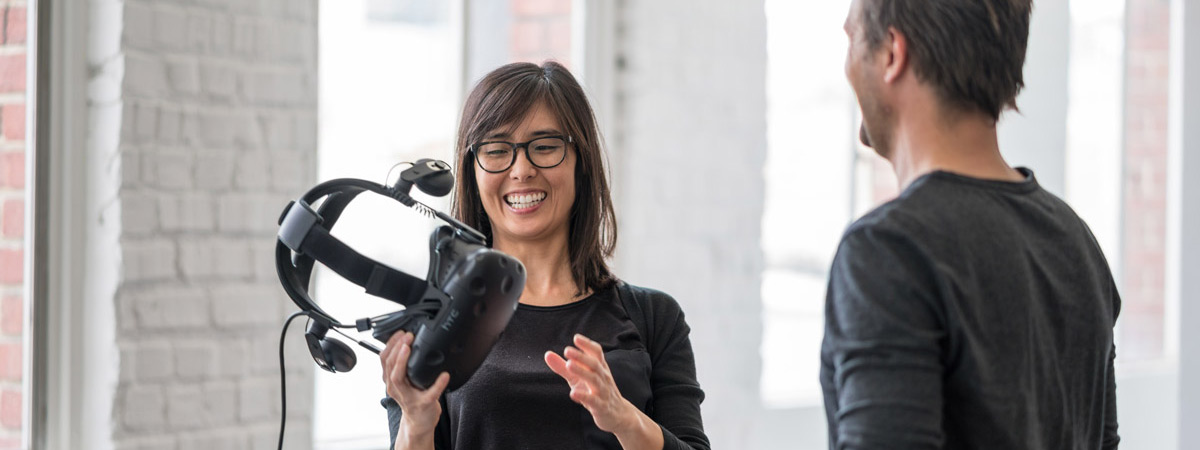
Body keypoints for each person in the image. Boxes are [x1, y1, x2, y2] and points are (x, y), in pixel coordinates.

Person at [821, 1, 1121, 449]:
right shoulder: (1077, 243)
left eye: (852, 39)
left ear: (891, 54)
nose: (846, 66)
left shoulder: (888, 250)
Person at [377, 61, 710, 450]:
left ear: (580, 160)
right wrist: (417, 424)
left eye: (545, 147)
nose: (521, 170)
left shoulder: (655, 318)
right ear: (473, 169)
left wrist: (623, 418)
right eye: (497, 149)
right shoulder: (432, 322)